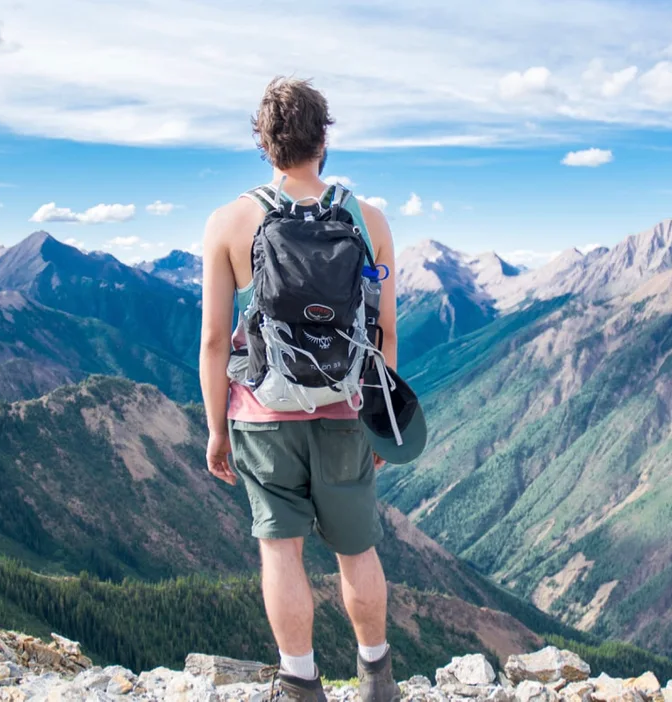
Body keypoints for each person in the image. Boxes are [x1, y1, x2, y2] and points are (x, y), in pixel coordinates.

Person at [199, 76, 399, 702]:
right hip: (345, 408)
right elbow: (386, 333)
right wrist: (378, 417)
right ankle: (376, 678)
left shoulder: (229, 222)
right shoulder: (368, 221)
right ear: (324, 136)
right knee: (356, 549)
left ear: (264, 142)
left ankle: (300, 683)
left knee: (280, 552)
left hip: (262, 414)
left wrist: (216, 428)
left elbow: (212, 341)